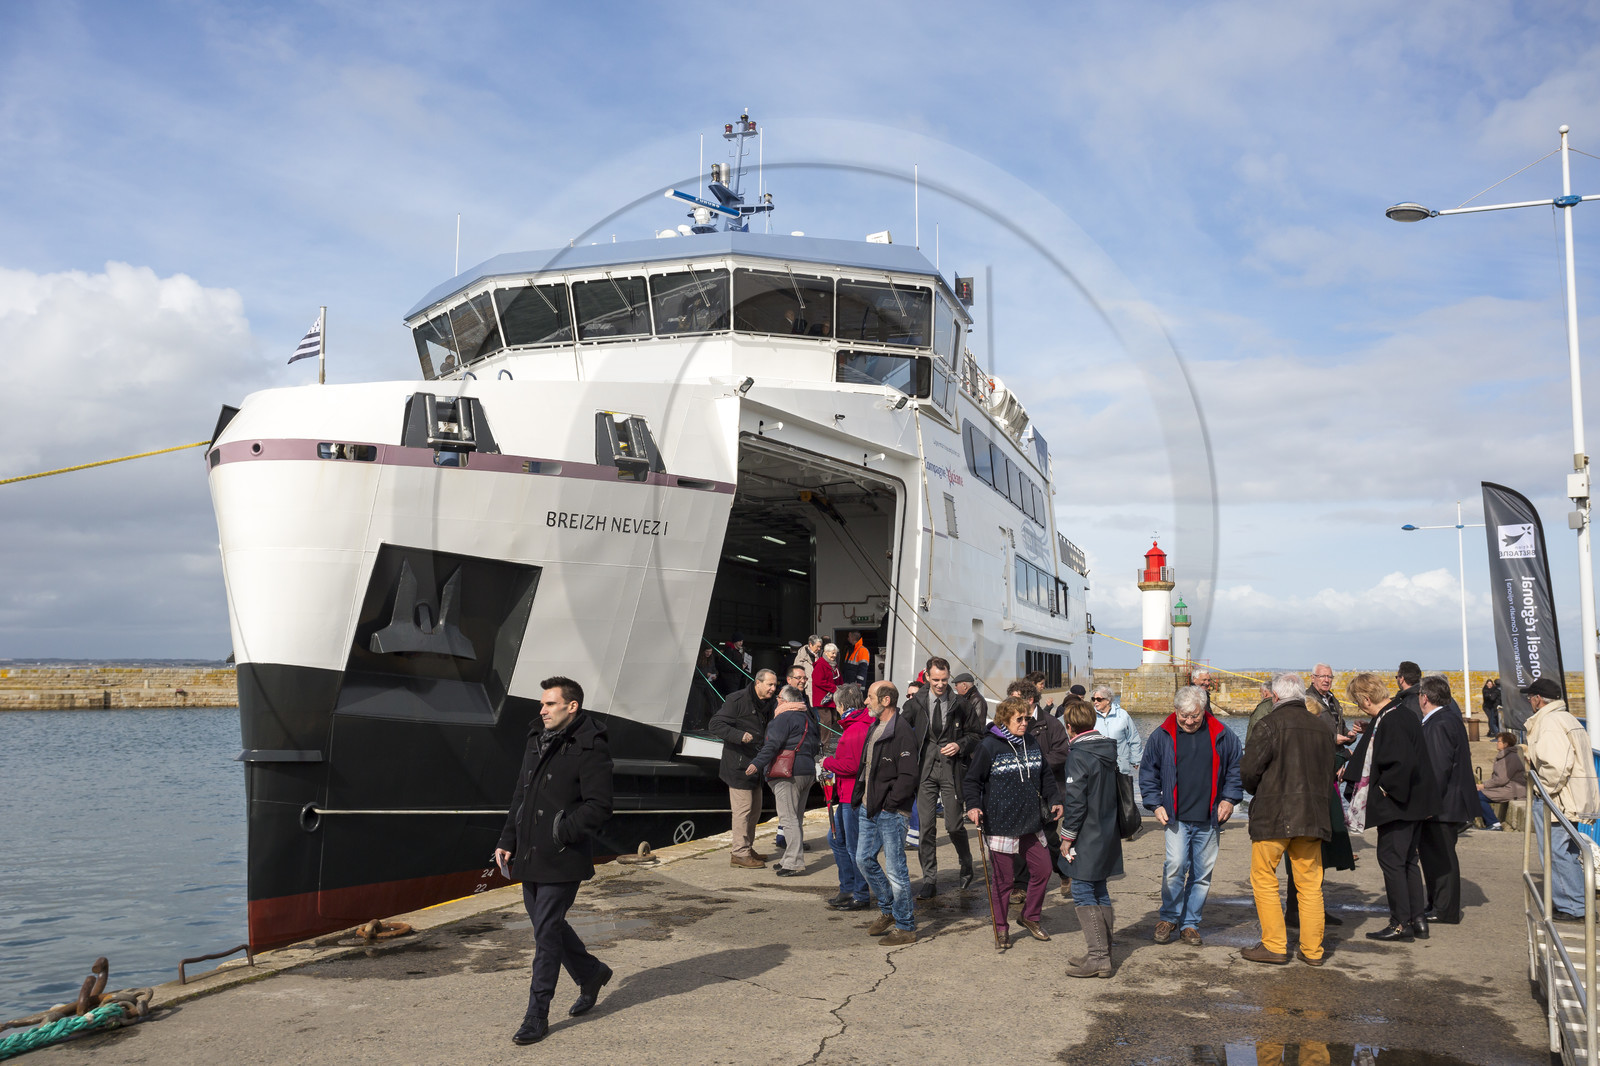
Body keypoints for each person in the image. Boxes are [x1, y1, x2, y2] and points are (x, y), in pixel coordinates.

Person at [494, 677, 614, 1045]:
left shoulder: (591, 746)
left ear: (571, 706)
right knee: (549, 926)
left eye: (549, 704)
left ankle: (536, 1015)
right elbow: (521, 793)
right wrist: (507, 839)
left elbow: (600, 806)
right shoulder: (535, 739)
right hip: (529, 851)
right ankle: (591, 973)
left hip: (562, 855)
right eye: (542, 704)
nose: (541, 710)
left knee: (545, 933)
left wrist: (562, 832)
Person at [1239, 672, 1333, 966]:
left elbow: (1249, 771)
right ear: (1301, 697)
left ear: (1275, 697)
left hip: (1273, 814)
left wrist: (1258, 792)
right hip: (1312, 815)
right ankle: (1313, 950)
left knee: (1264, 879)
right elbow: (1328, 773)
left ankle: (1275, 945)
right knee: (1309, 884)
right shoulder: (1322, 729)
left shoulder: (1269, 724)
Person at [1139, 685, 1242, 946]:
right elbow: (1148, 772)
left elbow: (1235, 769)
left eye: (1194, 715)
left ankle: (1190, 923)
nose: (1188, 721)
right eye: (1183, 715)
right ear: (1175, 711)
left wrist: (1229, 799)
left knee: (1202, 874)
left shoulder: (1222, 733)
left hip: (1210, 818)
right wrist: (1154, 804)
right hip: (1176, 816)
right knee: (1175, 866)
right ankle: (1169, 917)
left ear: (1204, 710)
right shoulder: (1162, 735)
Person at [1344, 671, 1439, 943]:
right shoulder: (1403, 713)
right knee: (1408, 860)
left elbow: (1400, 763)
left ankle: (1400, 923)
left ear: (1364, 698)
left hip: (1399, 804)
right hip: (1414, 803)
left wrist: (1384, 792)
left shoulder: (1392, 719)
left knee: (1392, 861)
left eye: (1358, 700)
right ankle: (1416, 919)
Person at [965, 696, 1062, 950]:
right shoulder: (989, 746)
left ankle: (1029, 916)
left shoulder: (1031, 742)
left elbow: (1045, 775)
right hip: (1001, 823)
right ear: (1004, 720)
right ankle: (1001, 927)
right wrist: (973, 805)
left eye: (1027, 718)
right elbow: (972, 781)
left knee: (1043, 870)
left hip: (1031, 821)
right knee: (1004, 881)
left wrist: (1054, 798)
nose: (1024, 723)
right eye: (1019, 719)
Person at [902, 657, 984, 896]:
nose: (940, 684)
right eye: (936, 680)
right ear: (927, 676)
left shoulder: (961, 703)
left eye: (945, 680)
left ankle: (966, 863)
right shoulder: (916, 702)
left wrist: (960, 745)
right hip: (925, 770)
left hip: (951, 769)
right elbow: (901, 729)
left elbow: (977, 736)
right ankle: (929, 878)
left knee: (953, 825)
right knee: (926, 827)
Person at [1523, 676, 1600, 921]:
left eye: (1530, 697)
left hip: (1558, 799)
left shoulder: (1550, 722)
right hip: (1573, 796)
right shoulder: (1567, 718)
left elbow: (1556, 766)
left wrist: (1542, 790)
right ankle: (1575, 902)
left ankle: (1574, 906)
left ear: (1538, 700)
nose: (1529, 701)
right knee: (1565, 850)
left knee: (1556, 852)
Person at [1059, 697, 1122, 978]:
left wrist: (1066, 837)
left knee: (1084, 890)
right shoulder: (1106, 749)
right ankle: (1103, 951)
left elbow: (1075, 803)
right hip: (1107, 828)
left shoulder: (1079, 754)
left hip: (1088, 831)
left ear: (1070, 726)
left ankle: (1098, 956)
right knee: (1099, 889)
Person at [856, 680, 918, 945]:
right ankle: (889, 910)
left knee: (896, 869)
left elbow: (908, 775)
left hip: (890, 810)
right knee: (863, 859)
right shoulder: (875, 726)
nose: (866, 702)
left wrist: (890, 804)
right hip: (869, 807)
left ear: (885, 701)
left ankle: (905, 926)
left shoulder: (901, 731)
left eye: (870, 697)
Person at [1419, 675, 1477, 924]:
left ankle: (1444, 909)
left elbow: (1437, 767)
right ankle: (1437, 904)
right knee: (1437, 856)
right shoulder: (1448, 719)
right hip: (1449, 802)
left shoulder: (1439, 723)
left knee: (1440, 857)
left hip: (1443, 805)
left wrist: (1427, 803)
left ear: (1424, 698)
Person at [706, 669, 778, 869]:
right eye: (769, 685)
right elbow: (715, 724)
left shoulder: (771, 703)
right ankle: (739, 853)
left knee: (755, 810)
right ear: (758, 683)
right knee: (743, 811)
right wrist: (739, 735)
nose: (773, 688)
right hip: (738, 764)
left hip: (756, 764)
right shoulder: (737, 700)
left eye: (774, 685)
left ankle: (747, 848)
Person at [1009, 679, 1073, 900]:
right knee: (1017, 836)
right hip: (1019, 792)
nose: (1012, 703)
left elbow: (1062, 754)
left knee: (1048, 838)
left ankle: (1064, 871)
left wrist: (1035, 763)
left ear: (1029, 700)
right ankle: (1020, 885)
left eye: (1016, 699)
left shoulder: (1051, 723)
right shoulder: (1008, 724)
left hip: (1048, 790)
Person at [748, 685, 820, 876]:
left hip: (788, 773)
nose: (777, 700)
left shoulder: (782, 718)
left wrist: (756, 763)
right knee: (796, 817)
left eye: (779, 697)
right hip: (807, 771)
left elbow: (772, 745)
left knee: (788, 819)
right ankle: (789, 857)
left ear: (786, 701)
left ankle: (794, 862)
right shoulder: (808, 718)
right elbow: (815, 746)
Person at [821, 685, 873, 911]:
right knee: (837, 839)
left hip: (851, 794)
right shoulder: (858, 726)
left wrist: (827, 763)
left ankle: (859, 893)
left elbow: (852, 765)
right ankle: (849, 888)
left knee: (852, 845)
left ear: (841, 706)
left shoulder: (855, 729)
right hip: (847, 793)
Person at [1089, 686, 1144, 776]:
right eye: (1093, 699)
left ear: (1108, 700)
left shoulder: (1122, 715)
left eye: (1098, 699)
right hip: (1098, 766)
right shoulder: (1090, 716)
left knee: (1123, 789)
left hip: (1121, 766)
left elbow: (1133, 737)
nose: (1095, 702)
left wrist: (1136, 759)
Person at [1478, 731, 1527, 831]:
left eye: (1499, 741)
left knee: (1477, 796)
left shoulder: (1509, 758)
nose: (1497, 743)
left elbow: (1501, 779)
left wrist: (1483, 786)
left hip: (1513, 790)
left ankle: (1494, 823)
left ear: (1505, 744)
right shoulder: (1505, 756)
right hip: (1507, 788)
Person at [1306, 664, 1353, 745]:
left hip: (1336, 753)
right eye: (1323, 676)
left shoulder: (1333, 699)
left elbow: (1339, 725)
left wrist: (1349, 735)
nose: (1327, 680)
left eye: (1330, 677)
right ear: (1313, 678)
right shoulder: (1307, 700)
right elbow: (1307, 732)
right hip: (1320, 754)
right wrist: (1333, 739)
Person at [812, 643, 840, 710]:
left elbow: (839, 679)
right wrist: (834, 688)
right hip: (823, 700)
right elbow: (818, 681)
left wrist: (842, 688)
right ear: (826, 653)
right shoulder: (820, 665)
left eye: (836, 653)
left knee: (834, 719)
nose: (835, 655)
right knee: (826, 720)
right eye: (833, 653)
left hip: (832, 699)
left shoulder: (834, 665)